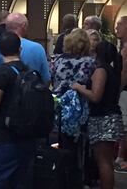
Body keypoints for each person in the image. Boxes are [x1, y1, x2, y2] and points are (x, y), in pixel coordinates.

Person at [0, 31, 37, 188]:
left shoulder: (1, 72)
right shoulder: (28, 71)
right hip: (26, 136)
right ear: (20, 50)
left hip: (4, 137)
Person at [72, 41, 124, 189]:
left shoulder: (101, 70)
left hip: (102, 118)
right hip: (112, 116)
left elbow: (96, 96)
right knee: (107, 160)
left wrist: (79, 88)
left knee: (103, 161)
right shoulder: (114, 71)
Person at [50, 27, 95, 187]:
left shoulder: (58, 60)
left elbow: (52, 78)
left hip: (58, 104)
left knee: (59, 143)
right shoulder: (89, 62)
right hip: (78, 107)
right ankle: (76, 180)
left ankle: (59, 178)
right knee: (77, 147)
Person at [0, 13, 50, 86]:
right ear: (24, 25)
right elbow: (46, 80)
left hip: (0, 95)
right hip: (30, 95)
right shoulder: (37, 48)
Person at [115, 16, 127, 174]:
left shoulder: (126, 49)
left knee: (125, 127)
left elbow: (124, 73)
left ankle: (121, 158)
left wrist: (116, 91)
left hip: (125, 92)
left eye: (119, 25)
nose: (116, 27)